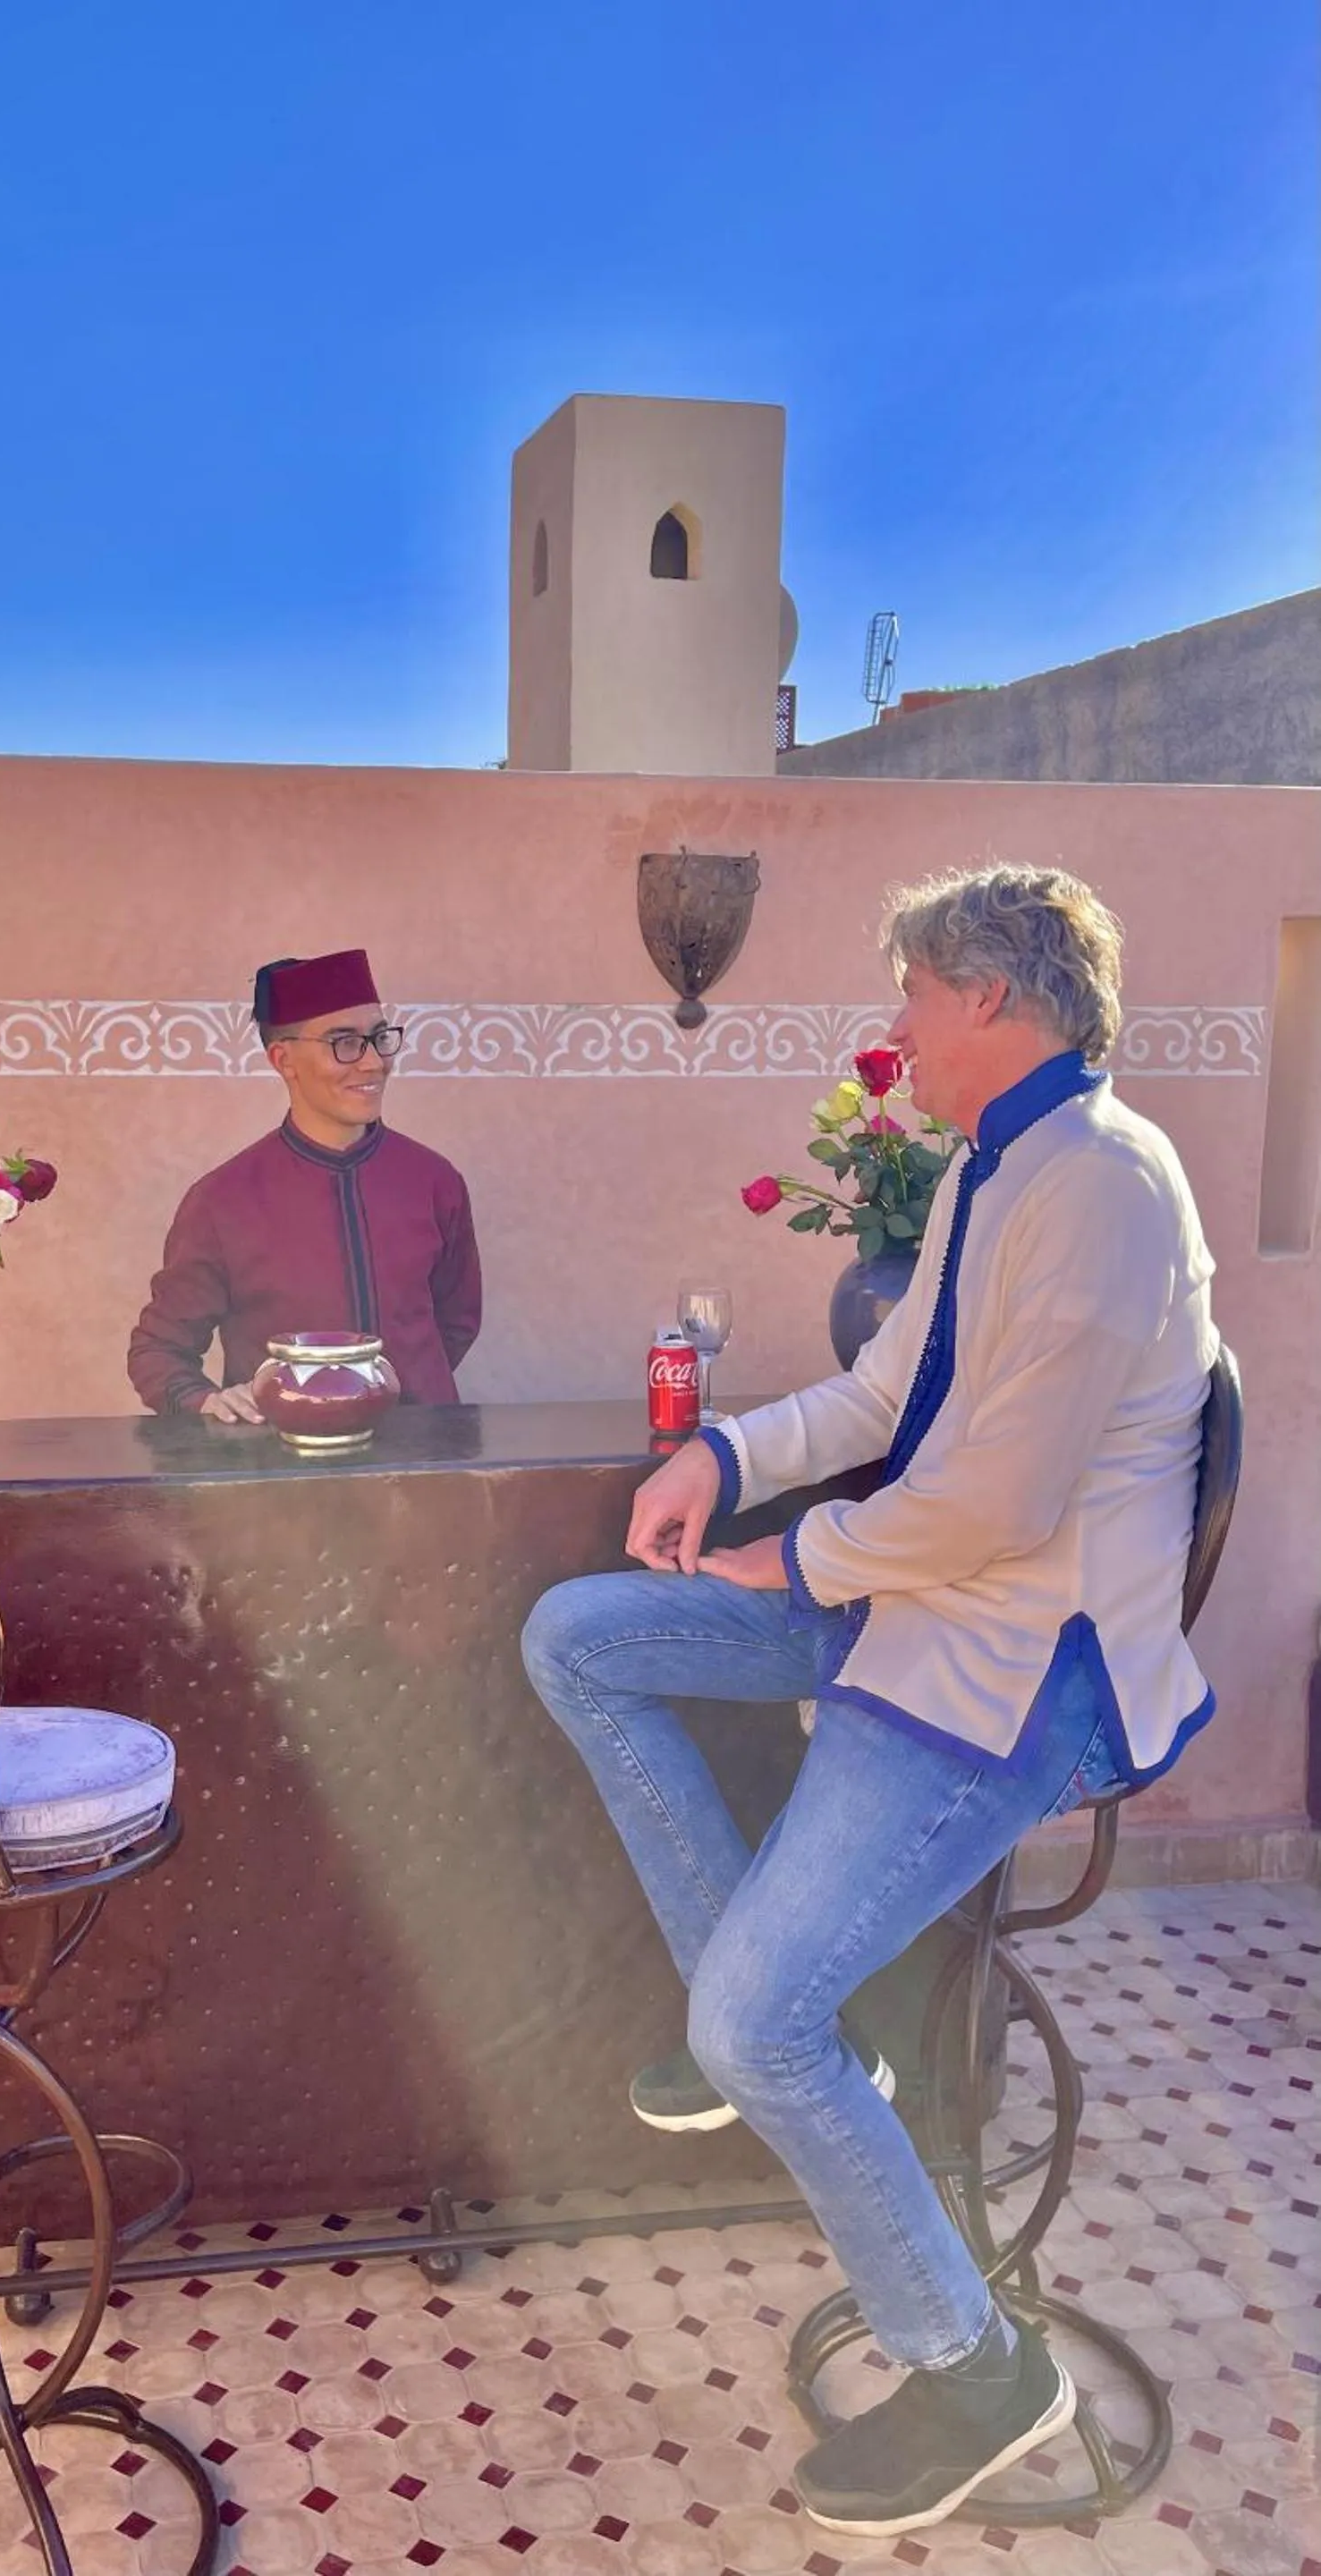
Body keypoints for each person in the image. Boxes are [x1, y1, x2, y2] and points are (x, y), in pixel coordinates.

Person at [521, 865, 1218, 2540]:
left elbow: (995, 1505)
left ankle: (974, 2367)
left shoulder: (1103, 1186)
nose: (891, 1028)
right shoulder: (999, 1167)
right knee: (579, 1635)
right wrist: (720, 1457)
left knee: (750, 2029)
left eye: (911, 997)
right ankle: (790, 2039)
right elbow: (881, 1391)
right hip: (909, 1616)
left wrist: (792, 1564)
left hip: (1009, 1673)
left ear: (990, 998)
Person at [127, 949, 481, 1419]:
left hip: (423, 1457)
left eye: (379, 1037)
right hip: (283, 1469)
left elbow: (456, 1322)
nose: (373, 1062)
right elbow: (159, 1348)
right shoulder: (223, 1200)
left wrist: (404, 1392)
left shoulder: (433, 1180)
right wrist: (206, 1400)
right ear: (283, 1059)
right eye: (344, 1042)